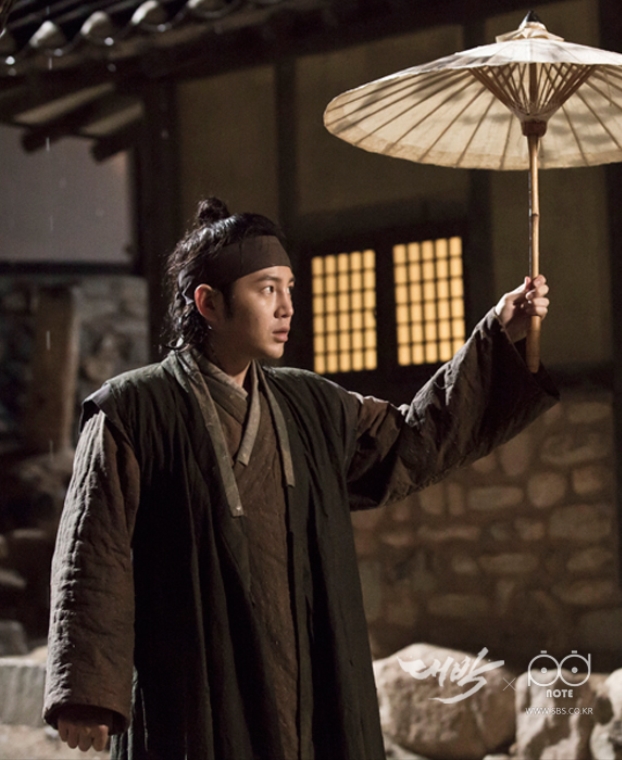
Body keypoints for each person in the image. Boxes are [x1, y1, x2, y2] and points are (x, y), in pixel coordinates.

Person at [44, 197, 559, 759]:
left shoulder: (311, 404)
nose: (287, 306)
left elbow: (413, 438)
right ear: (209, 302)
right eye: (267, 289)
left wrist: (495, 336)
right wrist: (86, 690)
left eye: (289, 288)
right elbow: (93, 551)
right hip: (196, 680)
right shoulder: (133, 411)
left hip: (307, 671)